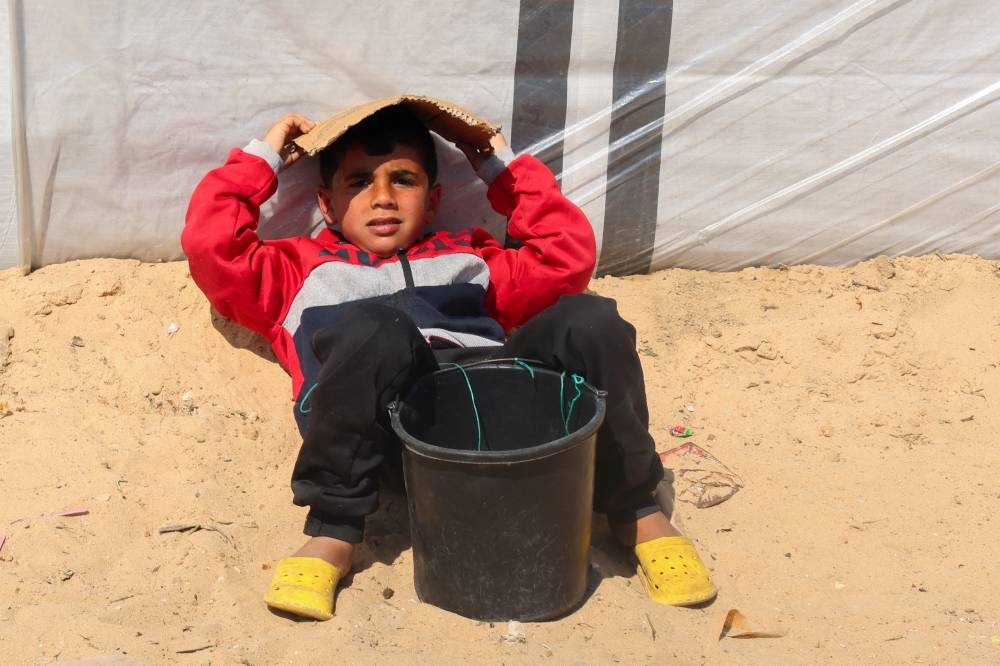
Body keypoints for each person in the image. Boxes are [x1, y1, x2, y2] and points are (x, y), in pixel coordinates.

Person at [182, 103, 717, 621]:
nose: (383, 198)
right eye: (359, 181)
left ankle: (636, 511)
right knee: (376, 328)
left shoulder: (471, 256)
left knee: (590, 318)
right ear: (326, 204)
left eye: (404, 180)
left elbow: (564, 255)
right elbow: (212, 246)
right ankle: (333, 530)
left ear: (433, 200)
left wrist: (494, 159)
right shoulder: (293, 271)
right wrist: (265, 158)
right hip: (390, 441)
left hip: (494, 418)